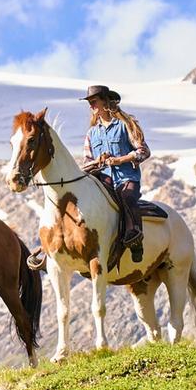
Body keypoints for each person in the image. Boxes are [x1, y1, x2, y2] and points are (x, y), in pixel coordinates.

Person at [79, 85, 150, 263]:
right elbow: (87, 164)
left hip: (127, 179)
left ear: (105, 101)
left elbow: (143, 151)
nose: (91, 106)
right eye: (89, 103)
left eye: (94, 102)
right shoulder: (91, 134)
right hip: (103, 182)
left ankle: (135, 239)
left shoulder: (126, 125)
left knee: (127, 197)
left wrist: (120, 160)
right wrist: (98, 161)